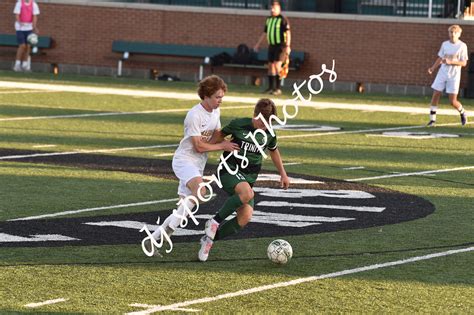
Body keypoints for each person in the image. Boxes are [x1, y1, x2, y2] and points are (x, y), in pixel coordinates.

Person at [144, 75, 239, 254]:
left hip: (198, 164)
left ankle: (153, 239)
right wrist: (222, 145)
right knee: (201, 192)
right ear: (206, 96)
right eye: (217, 97)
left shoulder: (215, 112)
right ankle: (169, 231)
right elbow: (199, 146)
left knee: (184, 209)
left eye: (222, 97)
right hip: (184, 160)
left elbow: (216, 135)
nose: (221, 101)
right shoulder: (194, 115)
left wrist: (234, 139)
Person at [198, 98, 290, 262]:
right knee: (247, 193)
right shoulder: (239, 124)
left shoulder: (269, 133)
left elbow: (274, 151)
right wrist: (212, 145)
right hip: (228, 171)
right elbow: (220, 135)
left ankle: (209, 240)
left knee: (245, 216)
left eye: (268, 122)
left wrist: (283, 174)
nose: (264, 125)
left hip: (248, 178)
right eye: (261, 121)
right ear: (254, 114)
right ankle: (213, 222)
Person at [427, 24, 468, 127]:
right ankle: (432, 120)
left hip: (454, 75)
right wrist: (433, 68)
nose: (453, 34)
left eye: (455, 32)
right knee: (436, 94)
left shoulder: (462, 46)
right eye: (451, 32)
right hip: (442, 73)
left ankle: (462, 112)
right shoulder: (445, 44)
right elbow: (440, 58)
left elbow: (464, 63)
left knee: (452, 101)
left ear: (459, 34)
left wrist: (450, 62)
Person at [254, 1, 291, 96]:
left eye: (274, 8)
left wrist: (287, 46)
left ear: (279, 9)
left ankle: (278, 89)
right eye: (271, 8)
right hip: (271, 46)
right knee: (270, 66)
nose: (272, 10)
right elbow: (265, 33)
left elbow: (288, 33)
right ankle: (271, 88)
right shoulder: (269, 19)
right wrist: (258, 44)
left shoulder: (283, 19)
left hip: (280, 45)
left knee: (277, 66)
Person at [13, 0, 40, 72]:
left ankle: (25, 64)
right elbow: (17, 15)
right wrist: (20, 23)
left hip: (29, 28)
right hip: (20, 28)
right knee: (22, 46)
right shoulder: (19, 3)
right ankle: (17, 64)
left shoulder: (34, 4)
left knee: (28, 46)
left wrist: (34, 27)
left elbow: (34, 16)